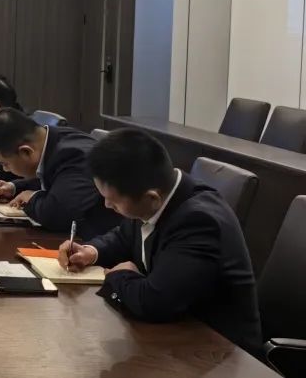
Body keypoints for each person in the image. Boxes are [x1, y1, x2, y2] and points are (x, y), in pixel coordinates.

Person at [58, 129, 262, 356]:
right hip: (178, 333)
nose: (106, 205)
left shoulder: (199, 222)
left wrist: (119, 275)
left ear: (151, 197)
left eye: (113, 200)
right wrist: (91, 252)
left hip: (220, 353)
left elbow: (154, 302)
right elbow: (124, 236)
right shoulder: (159, 193)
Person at [0, 108, 121, 238]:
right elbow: (58, 179)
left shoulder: (75, 155)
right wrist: (14, 187)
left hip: (100, 244)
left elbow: (57, 214)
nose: (5, 170)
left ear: (26, 152)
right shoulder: (51, 139)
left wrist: (32, 198)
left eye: (5, 164)